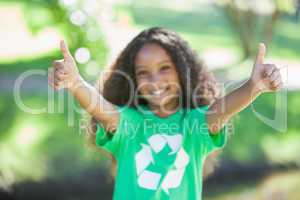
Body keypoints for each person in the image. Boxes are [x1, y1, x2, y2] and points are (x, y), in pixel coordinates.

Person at [48, 27, 283, 200]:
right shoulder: (130, 125)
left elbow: (222, 110)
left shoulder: (195, 126)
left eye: (165, 68)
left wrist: (254, 87)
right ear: (132, 79)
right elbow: (104, 111)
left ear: (183, 72)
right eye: (143, 73)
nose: (155, 80)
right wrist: (75, 83)